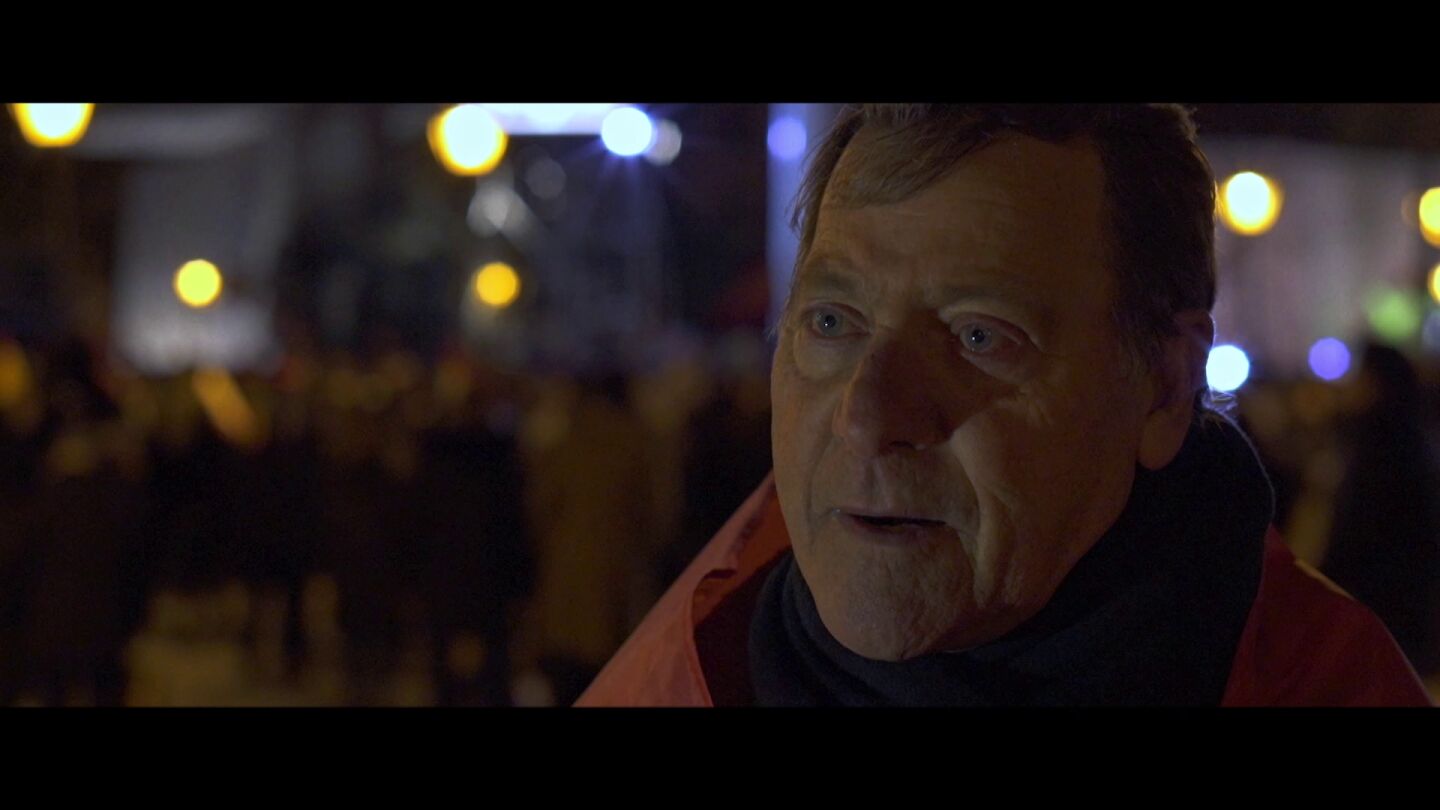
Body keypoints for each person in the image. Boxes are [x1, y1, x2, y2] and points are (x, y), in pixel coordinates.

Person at [576, 104, 1433, 707]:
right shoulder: (677, 672)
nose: (867, 418)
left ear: (1166, 386)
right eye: (832, 322)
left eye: (979, 336)